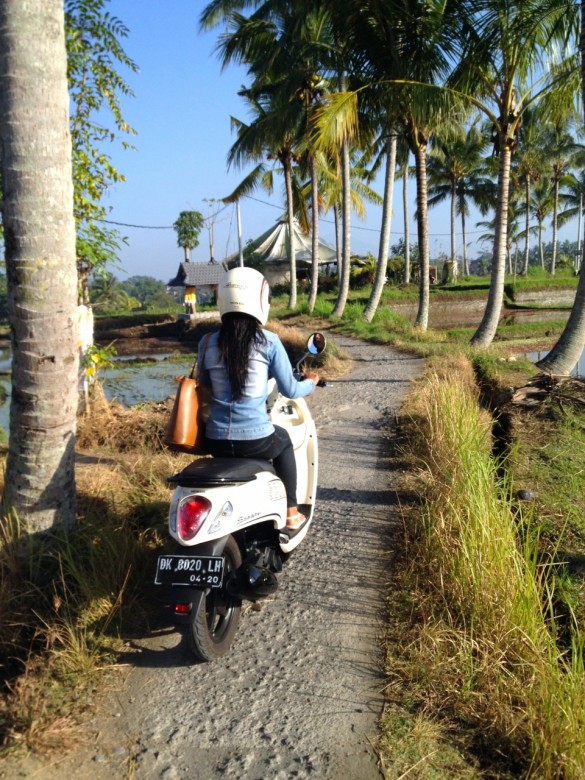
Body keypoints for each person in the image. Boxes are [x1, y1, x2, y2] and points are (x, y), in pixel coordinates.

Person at [197, 267, 319, 531]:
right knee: (283, 440)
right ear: (260, 300)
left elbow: (204, 386)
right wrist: (311, 383)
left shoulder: (206, 343)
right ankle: (290, 512)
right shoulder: (269, 342)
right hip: (254, 441)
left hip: (215, 440)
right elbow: (291, 390)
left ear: (223, 300)